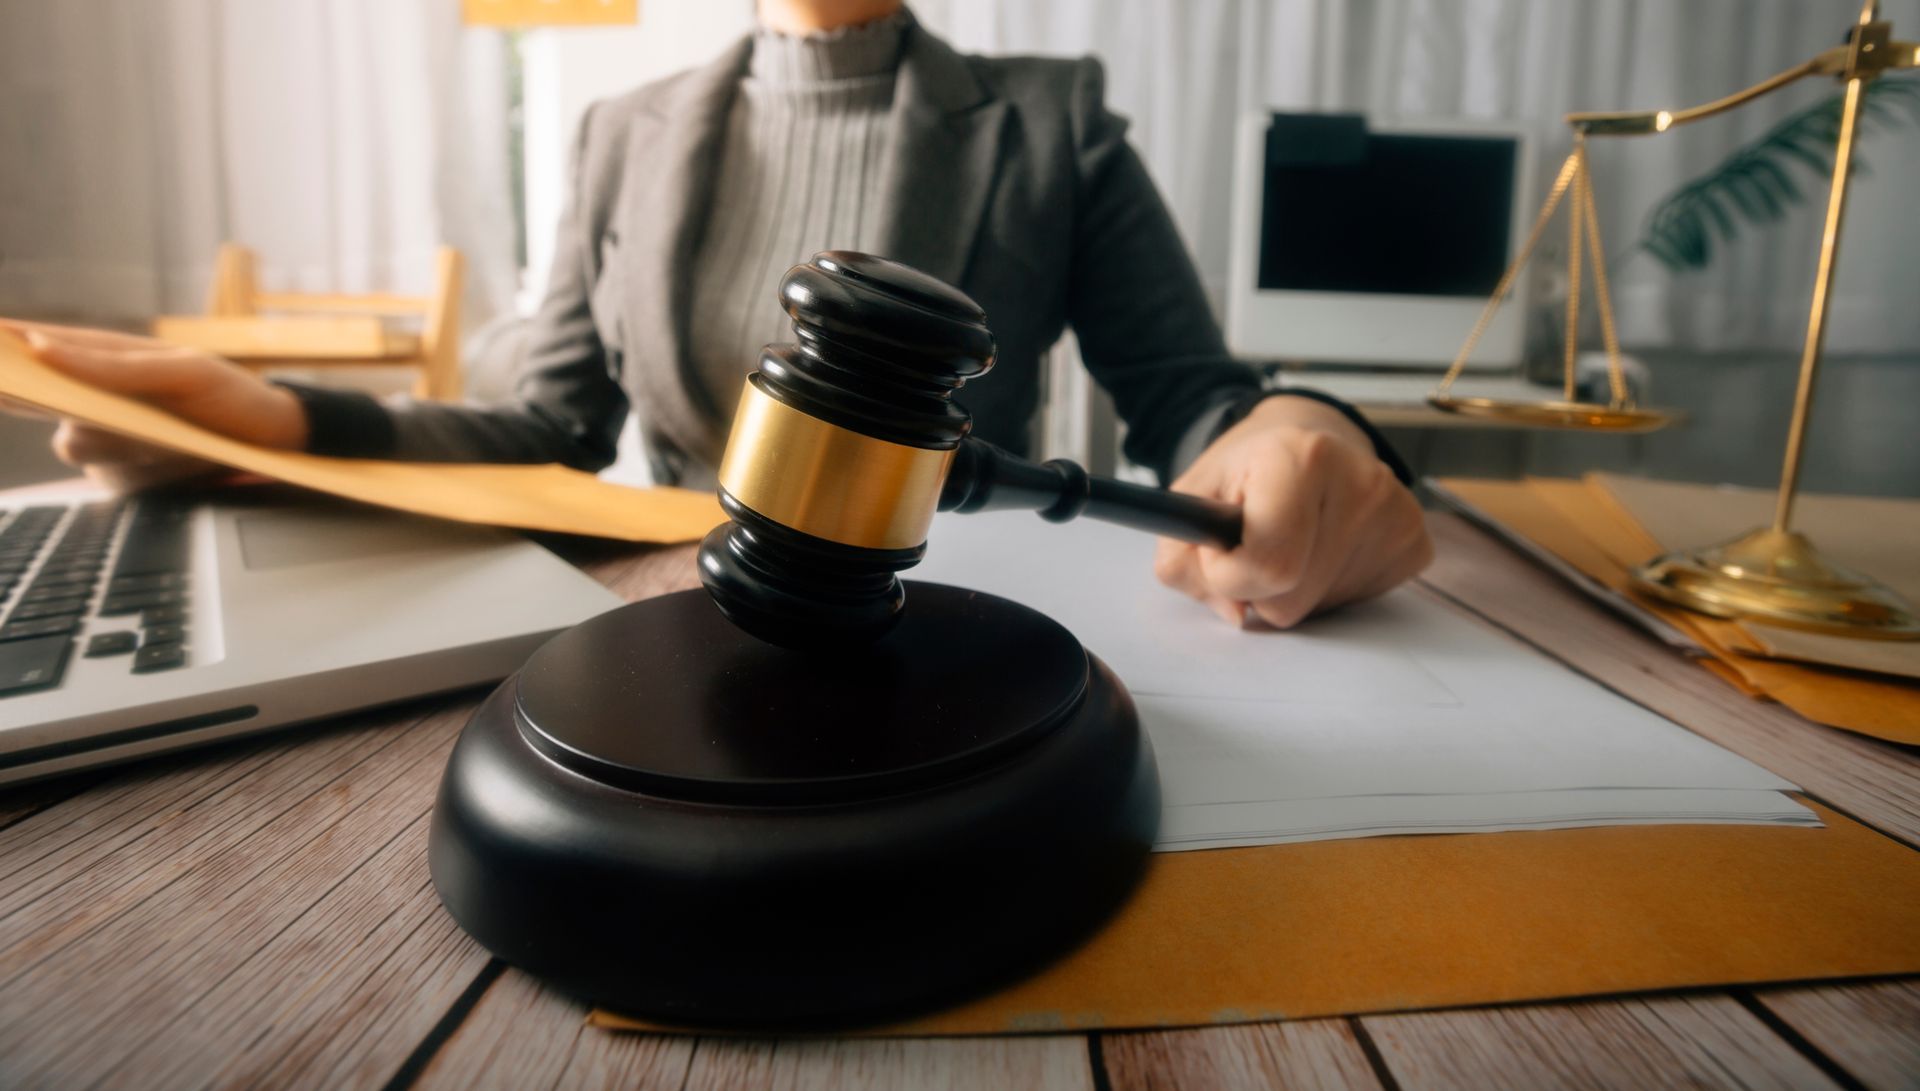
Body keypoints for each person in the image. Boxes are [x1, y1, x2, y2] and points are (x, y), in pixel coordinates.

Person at [7, 0, 1430, 631]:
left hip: (946, 629)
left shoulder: (1053, 124)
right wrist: (286, 420)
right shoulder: (623, 131)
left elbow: (1192, 399)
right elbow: (546, 428)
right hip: (660, 619)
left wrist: (1302, 435)